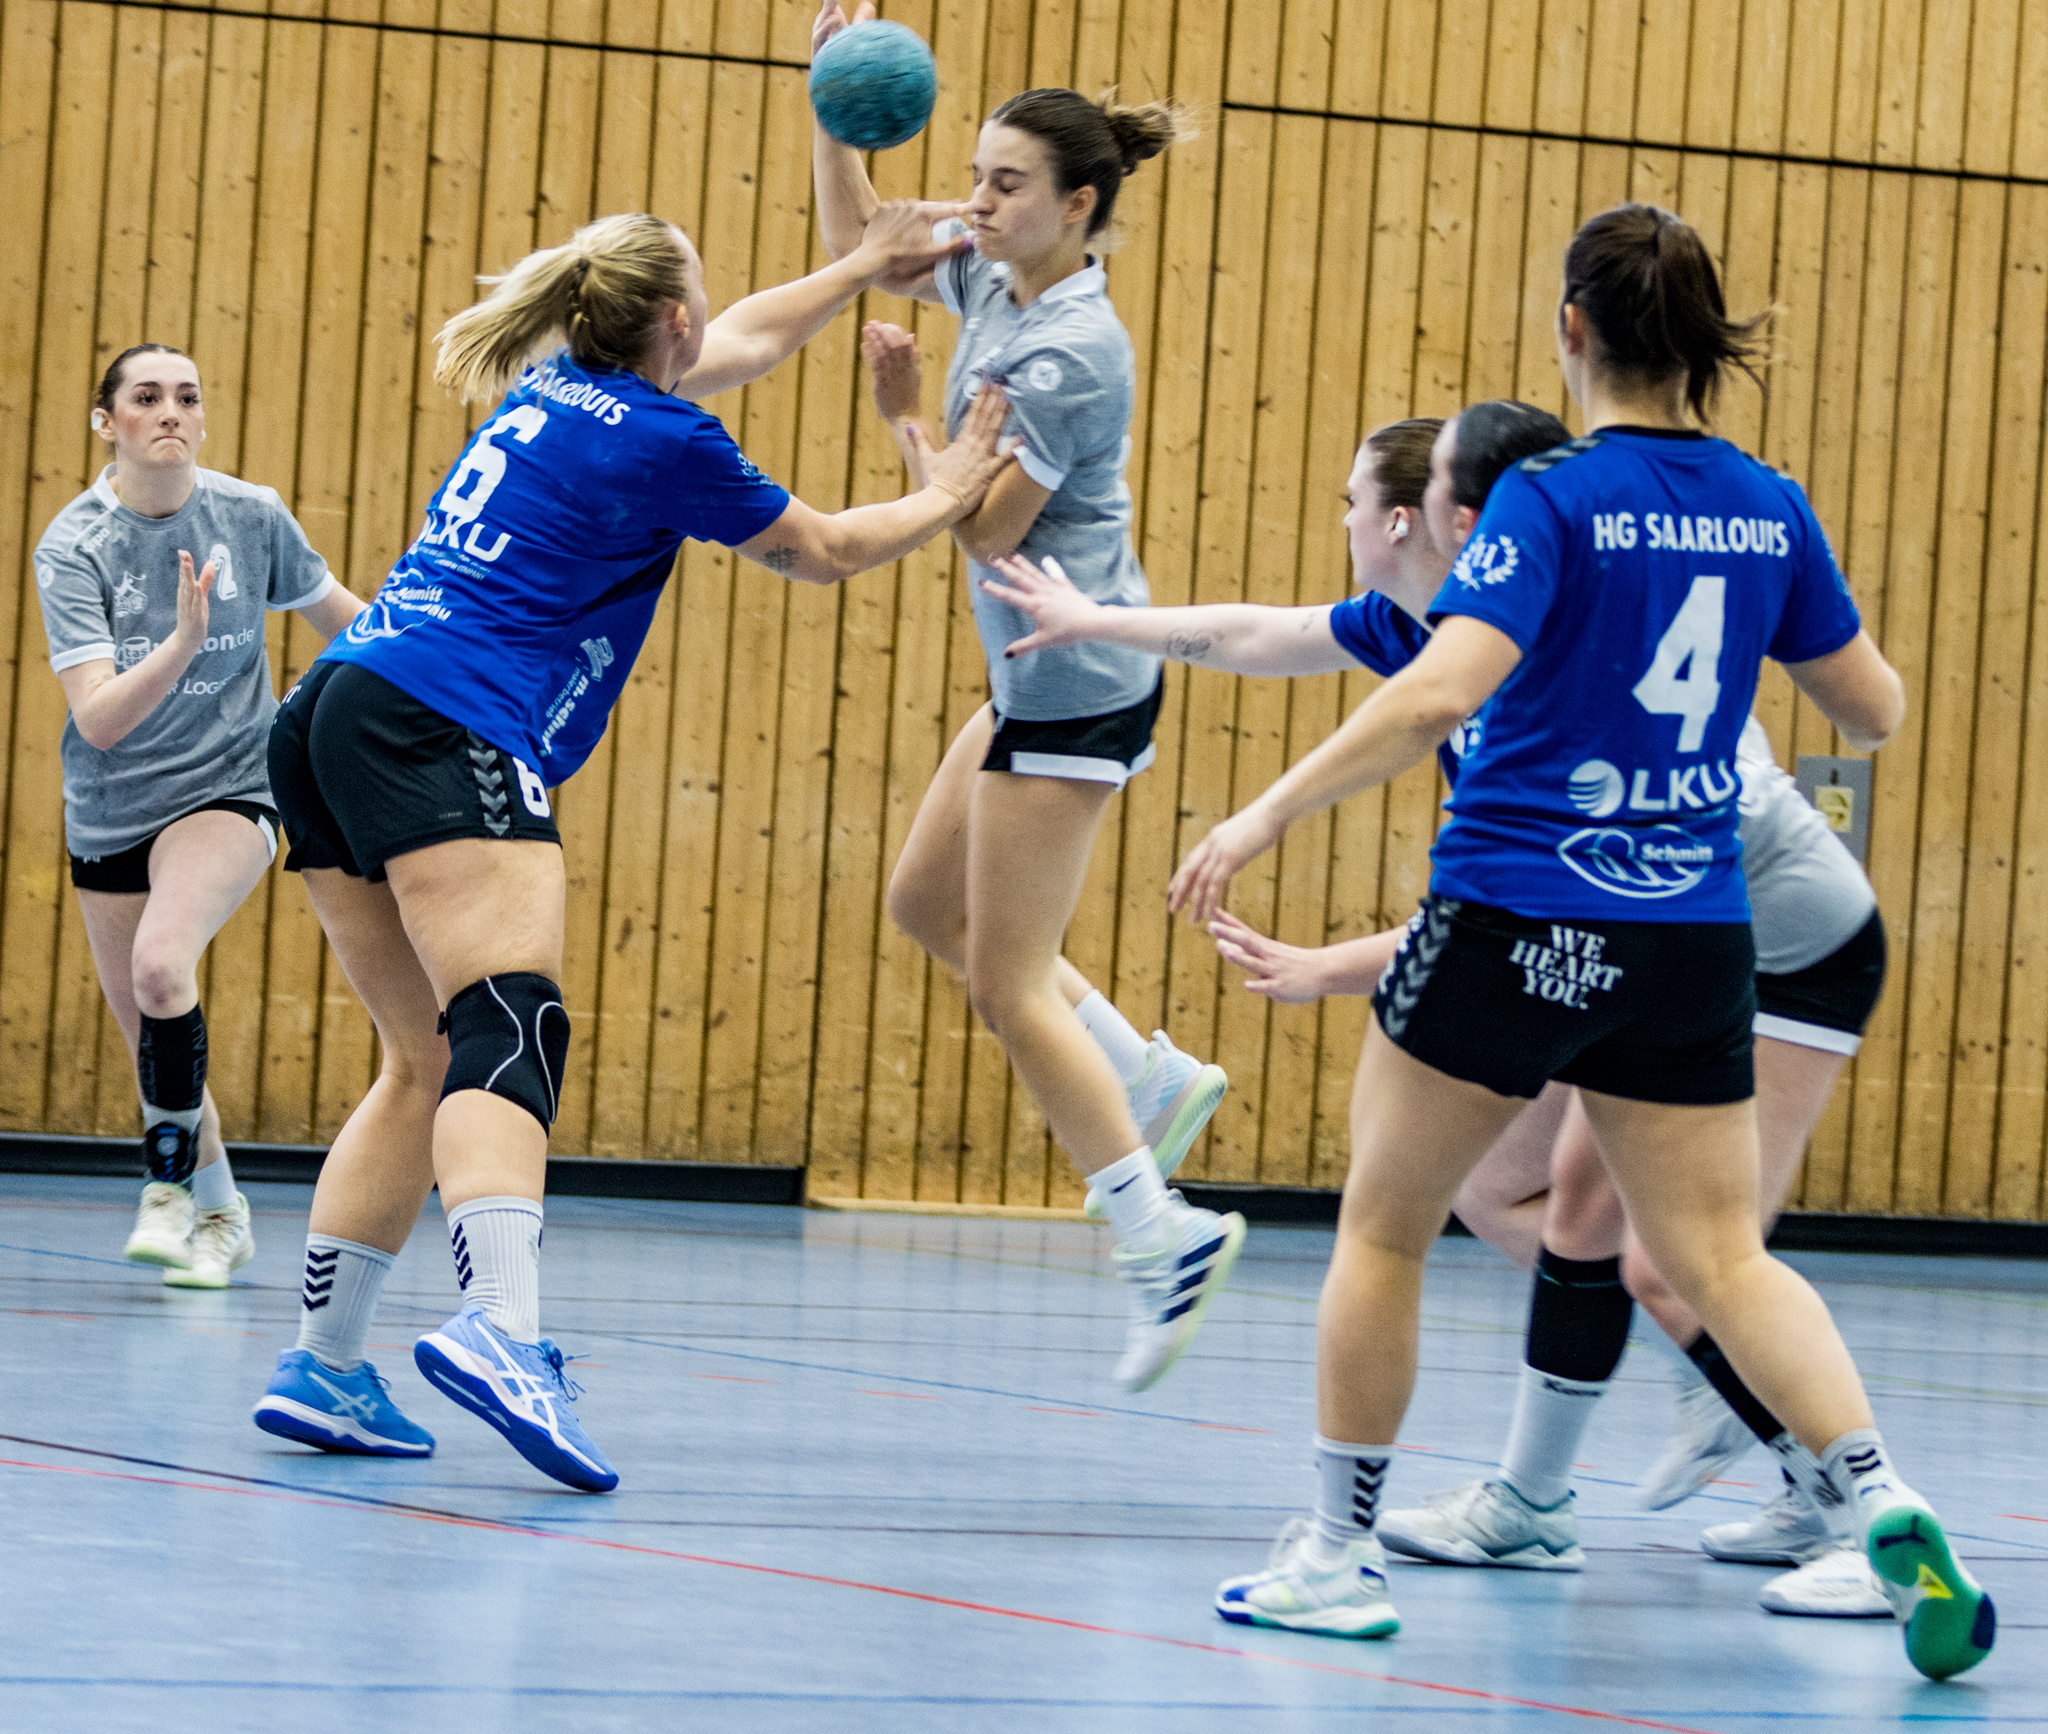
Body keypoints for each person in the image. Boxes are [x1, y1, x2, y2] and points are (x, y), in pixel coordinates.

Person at [1166, 205, 1985, 1680]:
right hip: (1690, 933)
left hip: (1517, 911)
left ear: (1571, 330)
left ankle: (1336, 1558)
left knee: (1384, 1227)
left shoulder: (1549, 497)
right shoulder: (1768, 503)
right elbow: (1872, 711)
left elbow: (1436, 694)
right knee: (1722, 1256)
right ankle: (1879, 1497)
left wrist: (1264, 812)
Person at [248, 200, 1015, 1489]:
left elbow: (748, 337)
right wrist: (940, 489)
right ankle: (501, 1329)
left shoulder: (556, 385)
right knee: (511, 1025)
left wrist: (858, 266)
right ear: (671, 319)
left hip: (331, 706)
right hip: (448, 715)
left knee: (423, 1057)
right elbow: (823, 550)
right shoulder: (667, 437)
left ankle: (324, 1366)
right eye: (701, 295)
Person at [809, 1, 1236, 1393]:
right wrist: (831, 112)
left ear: (1077, 206)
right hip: (1029, 671)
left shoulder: (1071, 350)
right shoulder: (997, 276)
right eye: (976, 177)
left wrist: (906, 428)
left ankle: (1160, 1233)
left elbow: (987, 529)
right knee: (924, 903)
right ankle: (1147, 1078)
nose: (976, 203)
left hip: (1075, 680)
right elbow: (860, 242)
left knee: (1004, 979)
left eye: (1004, 185)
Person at [34, 344, 364, 1288]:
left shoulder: (249, 516)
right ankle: (223, 1212)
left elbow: (350, 621)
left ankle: (167, 1187)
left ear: (203, 419)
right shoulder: (74, 545)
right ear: (108, 423)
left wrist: (440, 673)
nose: (170, 410)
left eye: (187, 395)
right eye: (147, 397)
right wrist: (184, 641)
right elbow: (100, 721)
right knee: (154, 1024)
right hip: (111, 806)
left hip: (229, 785)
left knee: (159, 963)